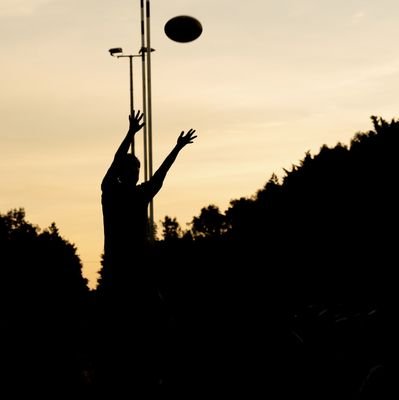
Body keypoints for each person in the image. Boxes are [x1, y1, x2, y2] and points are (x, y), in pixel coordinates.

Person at [101, 109, 197, 283]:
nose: (136, 174)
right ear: (122, 174)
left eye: (137, 171)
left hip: (137, 268)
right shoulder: (111, 191)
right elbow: (117, 160)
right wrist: (130, 134)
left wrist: (177, 148)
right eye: (132, 171)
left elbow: (160, 174)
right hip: (118, 269)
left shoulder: (138, 193)